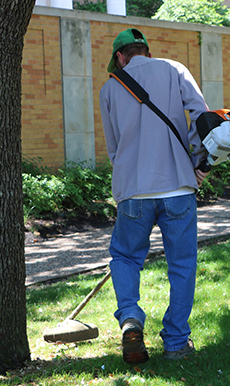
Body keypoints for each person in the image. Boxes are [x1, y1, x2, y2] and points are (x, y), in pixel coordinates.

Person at [99, 28, 210, 364]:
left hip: (133, 191)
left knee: (125, 257)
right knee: (182, 265)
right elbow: (203, 118)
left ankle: (130, 316)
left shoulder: (109, 87)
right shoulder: (175, 68)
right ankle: (176, 342)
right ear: (146, 51)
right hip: (178, 185)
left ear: (120, 57)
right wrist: (196, 159)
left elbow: (114, 148)